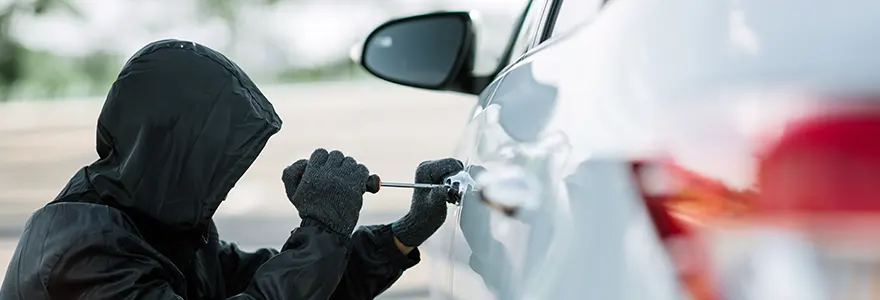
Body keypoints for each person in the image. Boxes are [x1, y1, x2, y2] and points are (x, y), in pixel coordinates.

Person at [0, 39, 464, 300]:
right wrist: (322, 229)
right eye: (214, 163)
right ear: (168, 148)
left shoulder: (157, 224)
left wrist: (401, 234)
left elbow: (287, 284)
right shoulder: (80, 252)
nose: (223, 185)